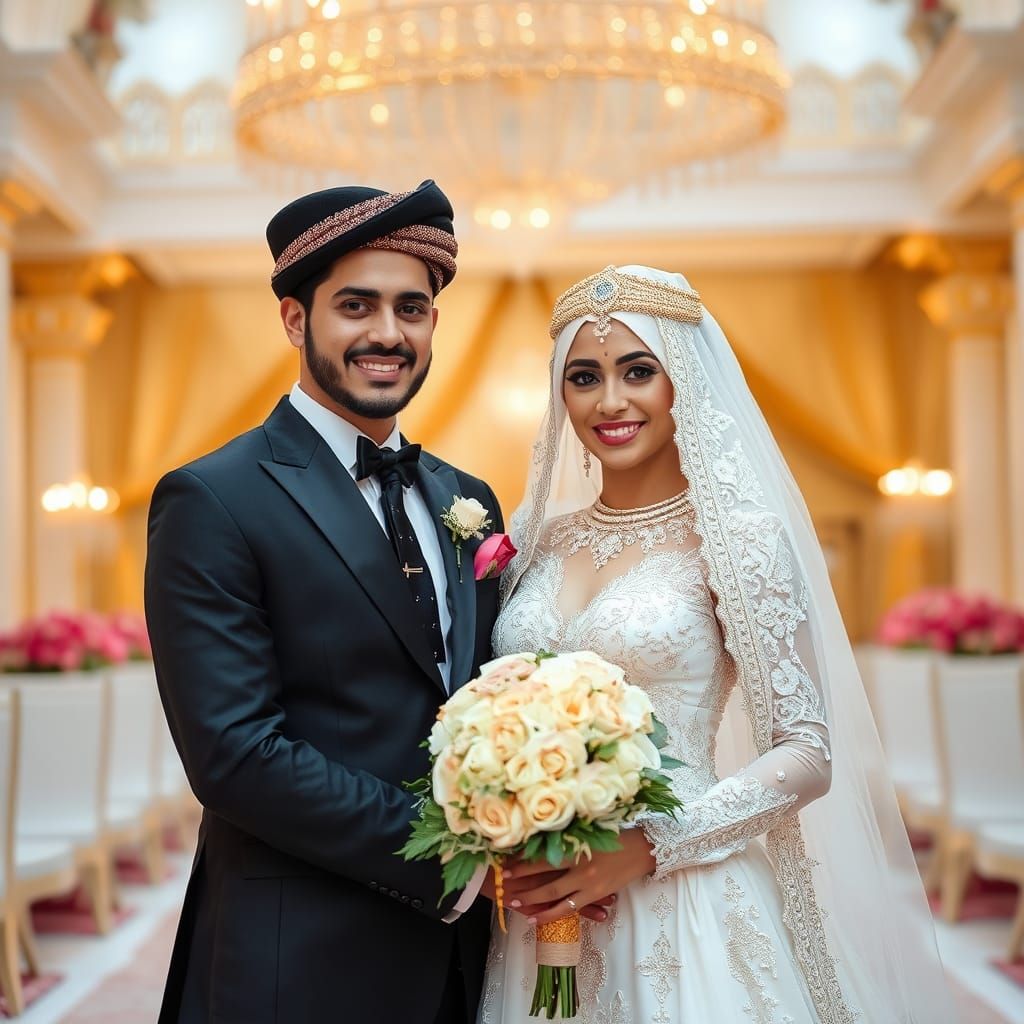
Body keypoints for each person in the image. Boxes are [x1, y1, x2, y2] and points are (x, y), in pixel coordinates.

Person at [482, 265, 956, 1022]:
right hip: (545, 897)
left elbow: (806, 751)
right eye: (584, 376)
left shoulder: (738, 541)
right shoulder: (535, 540)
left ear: (685, 384)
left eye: (639, 371)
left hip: (684, 901)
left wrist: (649, 845)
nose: (610, 401)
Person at [146, 180, 505, 1024]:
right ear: (295, 319)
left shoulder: (470, 499)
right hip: (298, 954)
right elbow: (234, 753)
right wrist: (452, 856)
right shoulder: (213, 497)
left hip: (467, 961)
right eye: (357, 305)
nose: (389, 333)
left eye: (412, 310)